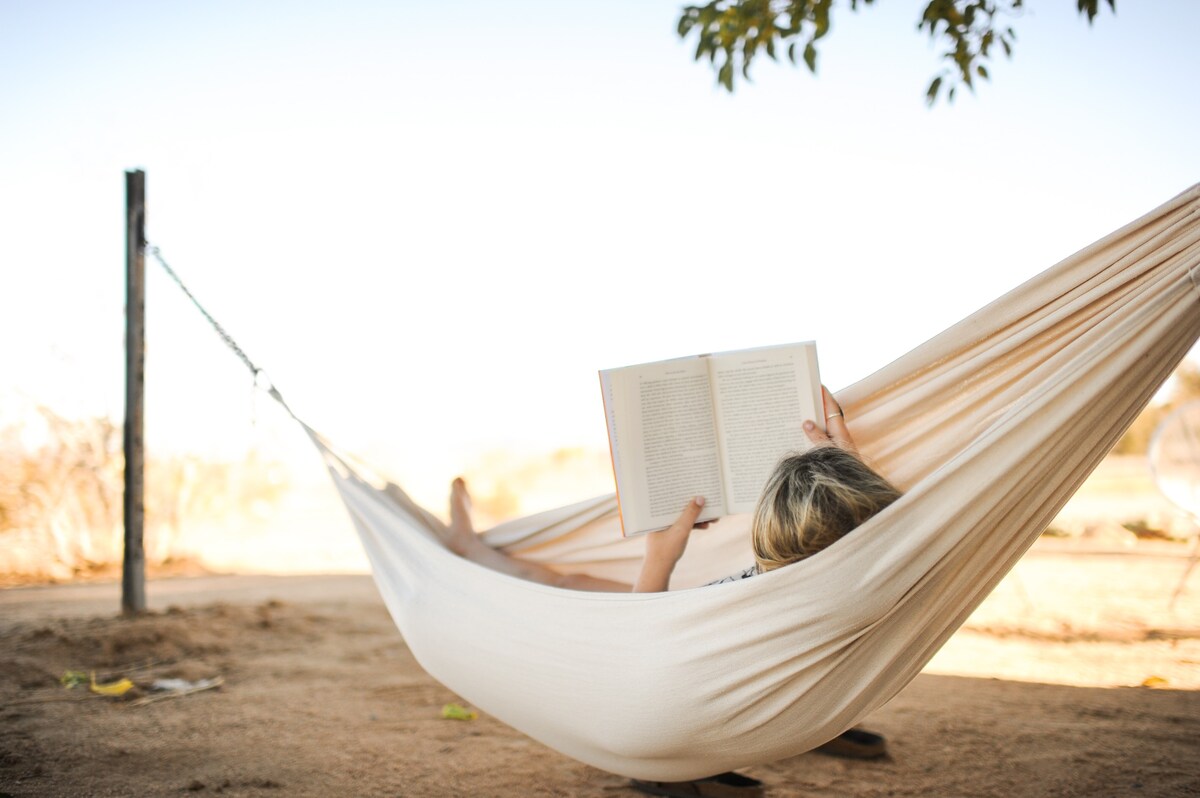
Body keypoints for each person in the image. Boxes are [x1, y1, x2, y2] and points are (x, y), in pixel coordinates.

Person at [433, 387, 903, 796]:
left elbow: (641, 650)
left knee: (566, 589)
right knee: (577, 587)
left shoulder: (760, 592)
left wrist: (659, 557)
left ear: (769, 527)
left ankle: (470, 549)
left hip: (664, 716)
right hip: (787, 696)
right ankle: (472, 547)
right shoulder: (874, 570)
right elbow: (870, 533)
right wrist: (848, 471)